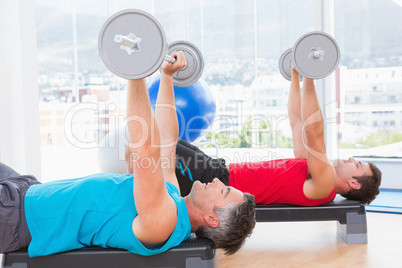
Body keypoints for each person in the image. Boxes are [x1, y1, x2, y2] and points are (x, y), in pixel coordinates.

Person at [0, 51, 256, 256]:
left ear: (211, 218)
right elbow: (167, 141)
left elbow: (146, 151)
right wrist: (167, 76)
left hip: (16, 216)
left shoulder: (163, 222)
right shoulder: (173, 200)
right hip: (26, 190)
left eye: (222, 191)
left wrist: (136, 73)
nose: (218, 181)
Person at [173, 67, 382, 206]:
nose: (351, 159)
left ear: (354, 184)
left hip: (213, 181)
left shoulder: (325, 185)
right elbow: (297, 122)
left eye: (358, 165)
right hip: (216, 169)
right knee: (162, 141)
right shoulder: (311, 170)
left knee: (153, 147)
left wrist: (309, 75)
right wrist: (295, 74)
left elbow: (314, 132)